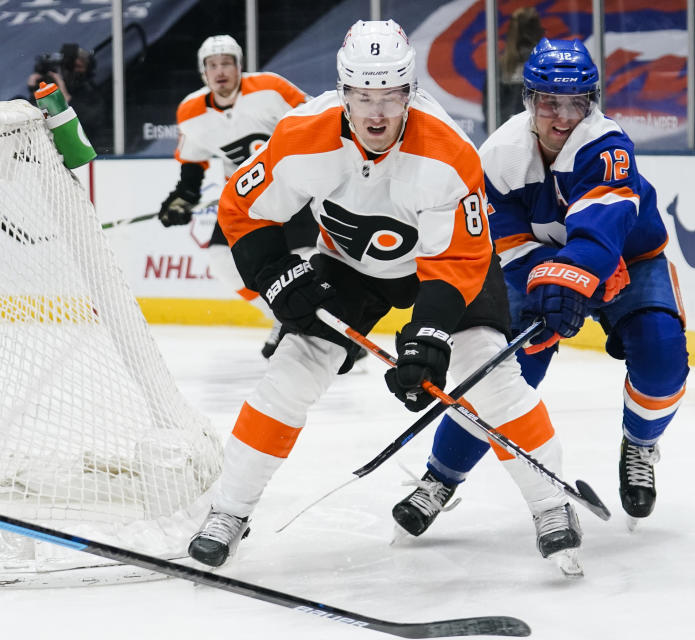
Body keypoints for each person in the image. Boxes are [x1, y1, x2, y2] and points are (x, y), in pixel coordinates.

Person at [187, 20, 583, 573]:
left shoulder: (449, 153)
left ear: (410, 92)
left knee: (489, 375)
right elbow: (242, 209)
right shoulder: (302, 135)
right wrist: (275, 274)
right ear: (344, 93)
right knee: (293, 372)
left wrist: (429, 339)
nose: (377, 113)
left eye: (391, 96)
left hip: (445, 268)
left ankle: (550, 504)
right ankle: (228, 512)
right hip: (351, 264)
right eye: (364, 96)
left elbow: (457, 263)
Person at [393, 38, 689, 532]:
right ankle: (440, 476)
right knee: (502, 372)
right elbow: (505, 246)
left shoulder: (607, 145)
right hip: (542, 269)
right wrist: (552, 283)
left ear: (591, 103)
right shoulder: (497, 158)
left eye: (576, 103)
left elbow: (600, 230)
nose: (563, 116)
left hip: (630, 263)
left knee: (662, 353)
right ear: (529, 100)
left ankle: (639, 444)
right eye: (549, 101)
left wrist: (570, 278)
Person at [158, 34, 318, 358]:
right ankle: (283, 315)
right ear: (203, 72)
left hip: (292, 188)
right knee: (221, 258)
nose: (220, 71)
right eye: (212, 65)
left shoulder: (271, 89)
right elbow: (192, 166)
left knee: (304, 256)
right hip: (245, 199)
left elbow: (316, 120)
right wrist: (182, 199)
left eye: (227, 63)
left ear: (239, 67)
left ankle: (323, 327)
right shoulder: (191, 112)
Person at [26, 43, 111, 153]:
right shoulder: (48, 88)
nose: (71, 72)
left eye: (78, 67)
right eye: (64, 68)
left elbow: (92, 121)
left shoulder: (90, 91)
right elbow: (39, 119)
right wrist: (35, 92)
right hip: (46, 152)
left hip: (82, 152)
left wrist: (64, 97)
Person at [483, 7, 544, 129]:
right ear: (538, 31)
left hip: (506, 131)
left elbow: (489, 111)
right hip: (538, 132)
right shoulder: (544, 63)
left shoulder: (501, 66)